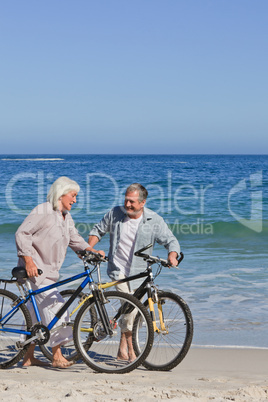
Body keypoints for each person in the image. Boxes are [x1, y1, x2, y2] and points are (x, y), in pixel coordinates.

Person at [15, 176, 104, 368]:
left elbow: (75, 240)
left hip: (50, 272)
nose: (75, 200)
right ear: (61, 194)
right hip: (35, 270)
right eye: (73, 196)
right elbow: (22, 233)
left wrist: (92, 251)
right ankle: (57, 356)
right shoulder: (43, 211)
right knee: (58, 308)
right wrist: (28, 261)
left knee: (33, 315)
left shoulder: (66, 216)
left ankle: (27, 357)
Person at [88, 182, 180, 361]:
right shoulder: (115, 213)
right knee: (130, 311)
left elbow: (171, 240)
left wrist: (172, 255)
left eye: (132, 202)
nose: (127, 205)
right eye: (126, 200)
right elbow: (97, 230)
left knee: (130, 312)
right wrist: (89, 248)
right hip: (118, 270)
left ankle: (122, 350)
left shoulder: (154, 220)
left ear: (142, 203)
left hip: (138, 273)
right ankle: (132, 352)